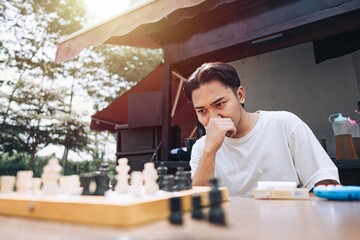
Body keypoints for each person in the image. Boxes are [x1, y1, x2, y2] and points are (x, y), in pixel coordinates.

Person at [183, 62, 339, 196]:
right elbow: (198, 202)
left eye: (219, 104)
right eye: (202, 111)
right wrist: (210, 149)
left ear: (240, 95)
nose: (214, 118)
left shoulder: (284, 124)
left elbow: (324, 184)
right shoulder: (201, 149)